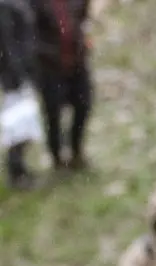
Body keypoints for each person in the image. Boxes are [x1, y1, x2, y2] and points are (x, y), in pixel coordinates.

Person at [27, 0, 92, 171]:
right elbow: (29, 32)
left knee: (83, 105)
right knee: (53, 113)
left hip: (77, 61)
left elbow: (83, 18)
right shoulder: (34, 4)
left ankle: (76, 150)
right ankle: (56, 157)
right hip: (49, 67)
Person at [0, 0, 38, 190]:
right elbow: (8, 44)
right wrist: (19, 74)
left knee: (26, 124)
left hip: (23, 73)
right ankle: (17, 171)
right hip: (15, 77)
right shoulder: (6, 6)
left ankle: (20, 168)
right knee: (18, 125)